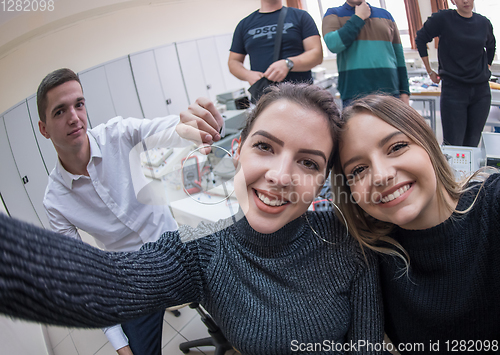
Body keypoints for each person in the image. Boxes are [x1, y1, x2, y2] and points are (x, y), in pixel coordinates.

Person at [0, 83, 384, 355]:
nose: (280, 176)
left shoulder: (347, 242)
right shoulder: (202, 247)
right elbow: (97, 285)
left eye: (308, 162)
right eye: (265, 146)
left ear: (322, 181)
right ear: (237, 151)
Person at [36, 68, 223, 355]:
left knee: (236, 307)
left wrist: (192, 126)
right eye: (60, 111)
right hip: (132, 279)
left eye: (79, 104)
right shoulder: (55, 201)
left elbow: (167, 129)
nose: (74, 117)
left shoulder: (118, 134)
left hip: (175, 249)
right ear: (44, 128)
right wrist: (119, 344)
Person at [331, 94, 500, 353]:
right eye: (358, 170)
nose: (382, 175)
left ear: (427, 142)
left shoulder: (493, 205)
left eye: (396, 147)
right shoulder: (369, 258)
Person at [415, 0, 496, 147]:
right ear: (453, 1)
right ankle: (451, 171)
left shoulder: (484, 23)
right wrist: (429, 71)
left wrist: (486, 67)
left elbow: (491, 46)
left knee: (472, 143)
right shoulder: (443, 19)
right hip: (454, 91)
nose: (465, 1)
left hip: (481, 93)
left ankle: (470, 172)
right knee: (454, 144)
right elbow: (420, 38)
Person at [228, 0, 323, 101]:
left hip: (301, 97)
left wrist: (289, 63)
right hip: (264, 99)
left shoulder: (301, 17)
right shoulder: (244, 25)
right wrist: (248, 75)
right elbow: (233, 62)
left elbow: (316, 54)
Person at [322, 0, 410, 108]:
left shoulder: (386, 15)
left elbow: (399, 56)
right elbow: (333, 44)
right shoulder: (333, 14)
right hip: (354, 94)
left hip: (390, 91)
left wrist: (405, 92)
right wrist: (358, 17)